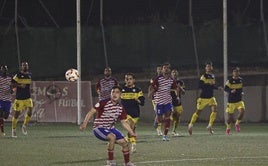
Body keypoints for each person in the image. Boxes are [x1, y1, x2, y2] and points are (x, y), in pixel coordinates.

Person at [80, 86, 136, 166]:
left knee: (125, 143)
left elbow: (124, 122)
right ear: (110, 93)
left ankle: (127, 163)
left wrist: (131, 132)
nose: (114, 94)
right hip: (99, 128)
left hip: (110, 129)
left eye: (117, 92)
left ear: (120, 95)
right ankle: (110, 162)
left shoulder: (120, 108)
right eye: (113, 92)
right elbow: (91, 112)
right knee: (112, 137)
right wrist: (84, 124)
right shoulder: (103, 102)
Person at [188, 62, 222, 135]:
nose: (209, 68)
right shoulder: (204, 76)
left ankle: (210, 125)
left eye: (210, 66)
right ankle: (190, 125)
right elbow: (200, 86)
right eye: (207, 66)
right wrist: (208, 84)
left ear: (211, 68)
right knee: (198, 112)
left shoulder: (212, 76)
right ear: (205, 68)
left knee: (214, 110)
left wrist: (217, 88)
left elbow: (212, 86)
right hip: (203, 97)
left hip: (211, 97)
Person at [150, 63, 178, 141]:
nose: (166, 69)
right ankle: (156, 120)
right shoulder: (158, 78)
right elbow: (152, 86)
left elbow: (175, 88)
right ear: (162, 69)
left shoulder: (171, 79)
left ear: (169, 70)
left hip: (168, 101)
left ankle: (165, 136)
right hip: (159, 101)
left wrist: (177, 96)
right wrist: (151, 93)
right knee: (160, 119)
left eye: (167, 68)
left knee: (168, 118)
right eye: (164, 68)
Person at [121, 73, 145, 153]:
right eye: (127, 79)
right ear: (125, 80)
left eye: (130, 79)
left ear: (133, 80)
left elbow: (142, 103)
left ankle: (127, 139)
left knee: (131, 129)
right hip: (125, 113)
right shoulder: (122, 89)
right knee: (130, 126)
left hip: (135, 114)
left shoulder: (138, 90)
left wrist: (137, 100)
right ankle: (133, 144)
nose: (128, 81)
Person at [11, 61, 33, 138]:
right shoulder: (18, 75)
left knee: (30, 112)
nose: (25, 67)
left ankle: (24, 126)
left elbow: (27, 85)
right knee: (16, 114)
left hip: (28, 97)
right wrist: (20, 85)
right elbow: (12, 83)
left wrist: (30, 89)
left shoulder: (29, 75)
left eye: (26, 65)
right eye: (23, 65)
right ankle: (13, 130)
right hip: (19, 98)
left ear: (28, 67)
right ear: (21, 67)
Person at [224, 67, 245, 135]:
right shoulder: (230, 81)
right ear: (233, 73)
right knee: (230, 117)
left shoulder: (241, 80)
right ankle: (228, 128)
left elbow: (240, 88)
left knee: (242, 112)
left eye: (237, 72)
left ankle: (237, 124)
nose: (236, 73)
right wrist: (231, 91)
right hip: (231, 101)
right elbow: (225, 89)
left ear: (239, 73)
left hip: (239, 101)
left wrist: (241, 92)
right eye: (234, 72)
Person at [147, 64, 163, 136]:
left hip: (163, 98)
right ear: (157, 70)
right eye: (158, 69)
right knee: (158, 113)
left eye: (160, 69)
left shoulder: (165, 78)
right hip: (156, 98)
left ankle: (156, 122)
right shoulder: (153, 78)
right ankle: (158, 130)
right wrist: (149, 94)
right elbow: (151, 86)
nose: (159, 70)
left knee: (161, 114)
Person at [170, 69, 185, 136]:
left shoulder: (180, 82)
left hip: (178, 101)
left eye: (175, 72)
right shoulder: (168, 81)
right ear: (171, 74)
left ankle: (174, 131)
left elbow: (184, 92)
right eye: (173, 72)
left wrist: (180, 87)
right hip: (170, 101)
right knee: (172, 114)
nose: (174, 73)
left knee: (178, 116)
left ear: (177, 74)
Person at [0, 65, 13, 136]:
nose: (4, 70)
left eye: (5, 69)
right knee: (0, 114)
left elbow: (13, 86)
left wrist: (12, 90)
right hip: (0, 99)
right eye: (2, 69)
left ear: (7, 70)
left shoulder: (10, 77)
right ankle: (2, 131)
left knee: (6, 116)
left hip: (8, 99)